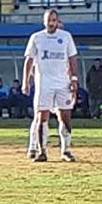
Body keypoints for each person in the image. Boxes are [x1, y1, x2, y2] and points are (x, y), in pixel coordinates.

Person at [24, 9, 78, 162]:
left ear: (58, 21)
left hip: (63, 84)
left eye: (54, 20)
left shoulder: (66, 37)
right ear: (44, 21)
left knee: (65, 116)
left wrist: (74, 79)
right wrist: (26, 81)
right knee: (41, 117)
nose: (51, 23)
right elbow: (29, 60)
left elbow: (72, 59)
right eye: (49, 20)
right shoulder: (37, 38)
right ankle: (40, 150)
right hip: (44, 84)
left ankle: (66, 150)